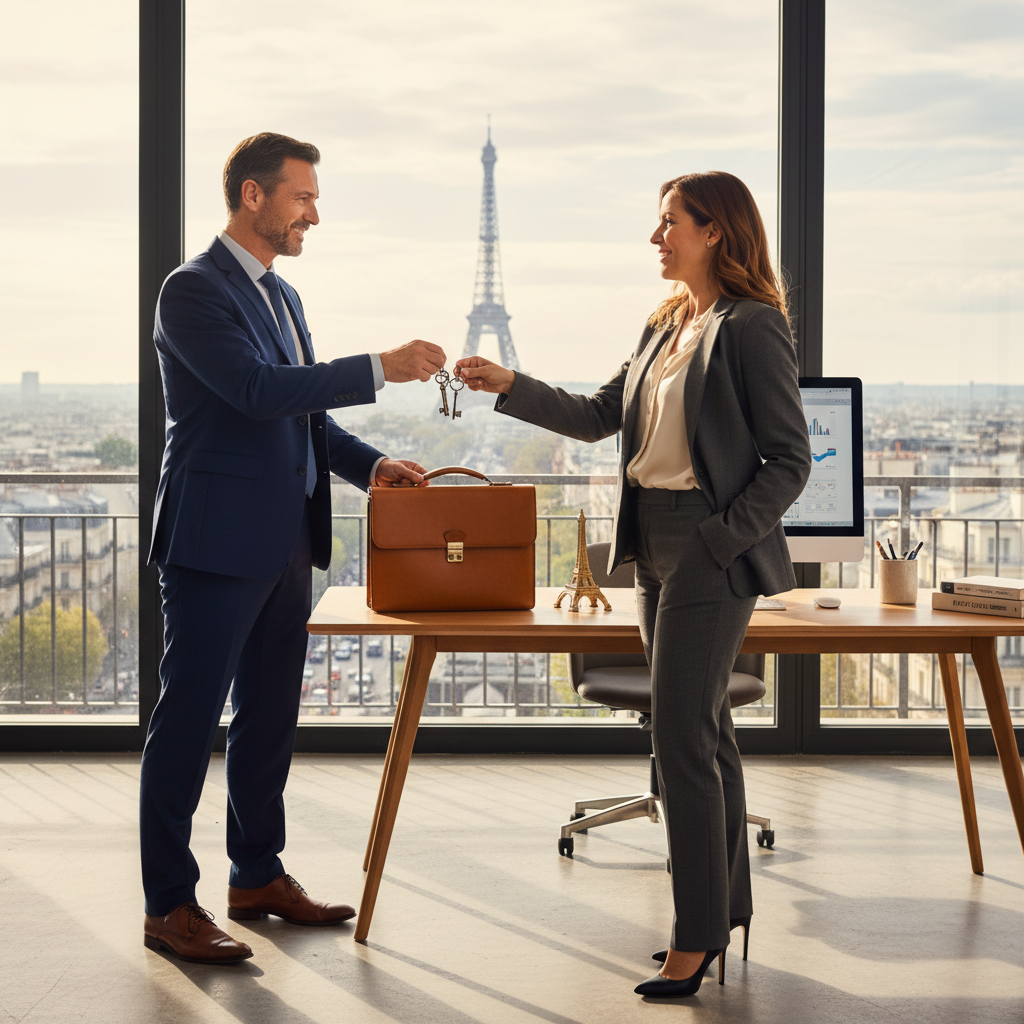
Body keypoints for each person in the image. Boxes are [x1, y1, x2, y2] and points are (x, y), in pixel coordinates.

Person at [456, 171, 811, 997]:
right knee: (706, 733)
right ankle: (723, 915)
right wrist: (510, 385)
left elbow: (789, 461)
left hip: (705, 548)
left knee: (679, 741)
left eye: (668, 223)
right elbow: (594, 416)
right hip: (649, 544)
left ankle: (693, 938)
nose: (656, 238)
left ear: (714, 231)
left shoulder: (752, 328)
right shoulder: (664, 324)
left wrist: (717, 544)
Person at [141, 132, 446, 965]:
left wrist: (374, 464)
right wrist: (378, 366)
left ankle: (255, 876)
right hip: (213, 542)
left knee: (269, 720)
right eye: (302, 197)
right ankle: (168, 904)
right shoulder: (191, 291)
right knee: (189, 721)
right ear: (252, 196)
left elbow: (306, 418)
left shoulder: (285, 297)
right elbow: (253, 391)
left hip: (282, 546)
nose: (315, 211)